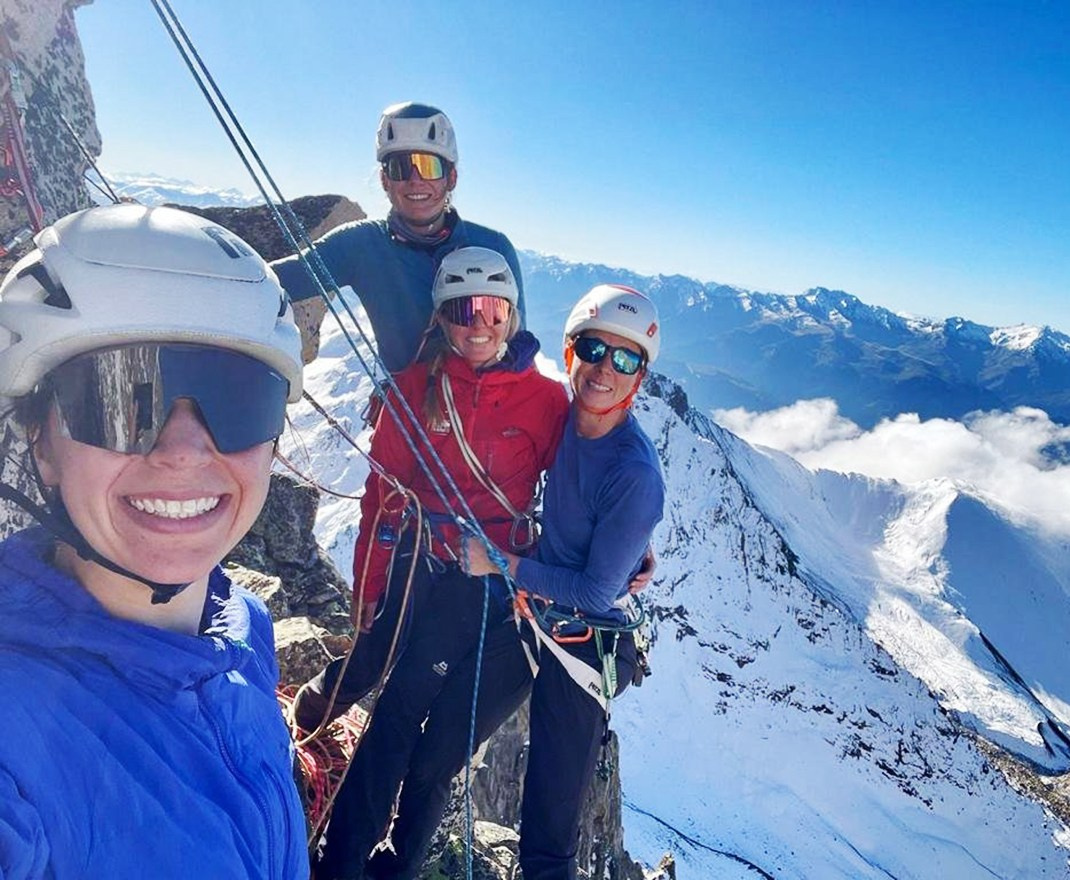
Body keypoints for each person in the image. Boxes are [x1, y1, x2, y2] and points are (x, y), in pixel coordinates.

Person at [0, 204, 309, 879]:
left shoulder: (242, 628)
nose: (182, 452)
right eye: (121, 400)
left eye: (236, 398)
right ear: (41, 440)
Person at [313, 247, 569, 880]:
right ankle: (349, 862)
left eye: (490, 308)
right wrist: (368, 590)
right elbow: (380, 497)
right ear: (441, 316)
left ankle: (365, 864)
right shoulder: (412, 389)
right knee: (401, 710)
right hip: (420, 569)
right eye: (461, 309)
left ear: (511, 314)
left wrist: (632, 543)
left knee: (425, 734)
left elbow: (580, 487)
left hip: (484, 587)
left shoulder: (546, 404)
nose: (476, 323)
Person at [465, 284, 666, 880]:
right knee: (449, 728)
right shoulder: (564, 418)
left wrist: (499, 562)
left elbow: (596, 592)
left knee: (549, 830)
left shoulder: (635, 474)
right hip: (537, 615)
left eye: (626, 359)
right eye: (594, 348)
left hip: (585, 644)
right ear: (570, 351)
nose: (606, 367)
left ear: (640, 379)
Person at [271, 101, 525, 373]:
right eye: (401, 167)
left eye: (428, 166)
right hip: (406, 409)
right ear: (385, 180)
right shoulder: (359, 245)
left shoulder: (494, 247)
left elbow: (516, 339)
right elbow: (276, 280)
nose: (415, 180)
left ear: (451, 178)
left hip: (485, 408)